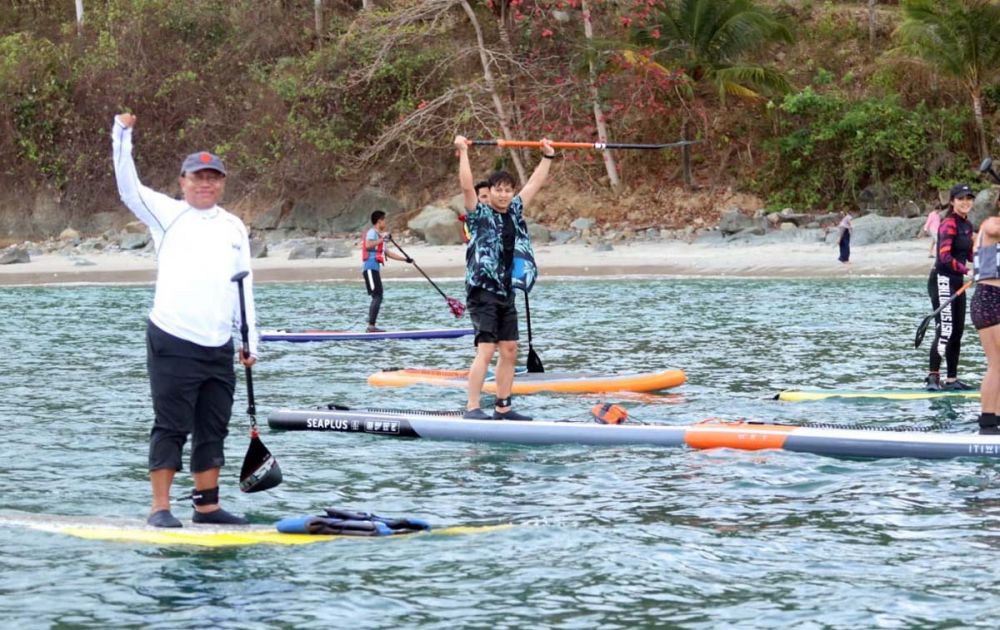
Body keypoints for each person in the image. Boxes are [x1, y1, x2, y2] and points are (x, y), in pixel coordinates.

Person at [112, 112, 258, 528]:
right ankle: (160, 507)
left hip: (219, 344)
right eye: (198, 177)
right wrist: (122, 134)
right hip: (173, 338)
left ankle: (207, 506)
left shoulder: (234, 226)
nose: (205, 183)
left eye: (213, 177)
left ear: (222, 183)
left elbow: (244, 285)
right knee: (172, 425)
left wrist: (252, 342)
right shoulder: (166, 213)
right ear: (183, 181)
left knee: (213, 427)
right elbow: (127, 186)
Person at [455, 135, 554, 420]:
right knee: (486, 349)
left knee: (510, 349)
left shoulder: (515, 211)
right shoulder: (479, 214)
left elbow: (534, 184)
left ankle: (503, 407)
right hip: (481, 290)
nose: (503, 195)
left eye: (508, 190)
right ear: (491, 192)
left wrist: (547, 157)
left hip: (505, 291)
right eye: (498, 190)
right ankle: (473, 407)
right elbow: (465, 186)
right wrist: (463, 151)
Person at [926, 183, 976, 392]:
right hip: (943, 280)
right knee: (945, 330)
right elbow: (944, 257)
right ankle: (932, 378)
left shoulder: (967, 225)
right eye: (961, 198)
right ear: (953, 201)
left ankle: (952, 379)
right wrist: (967, 271)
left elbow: (971, 255)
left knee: (957, 331)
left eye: (969, 198)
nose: (966, 202)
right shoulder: (948, 224)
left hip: (957, 282)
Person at [971, 209, 1000, 434]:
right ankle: (988, 421)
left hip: (991, 299)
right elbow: (994, 229)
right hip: (990, 298)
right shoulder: (991, 223)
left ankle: (996, 417)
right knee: (996, 364)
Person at [362, 211, 412, 333]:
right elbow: (368, 245)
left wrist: (405, 259)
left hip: (374, 269)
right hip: (369, 268)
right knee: (377, 295)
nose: (385, 222)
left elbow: (388, 253)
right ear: (379, 221)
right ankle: (371, 326)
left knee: (378, 295)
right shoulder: (372, 232)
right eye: (384, 220)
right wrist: (382, 238)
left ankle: (371, 325)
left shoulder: (379, 235)